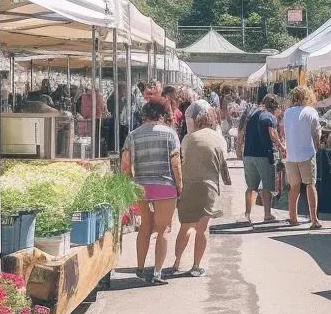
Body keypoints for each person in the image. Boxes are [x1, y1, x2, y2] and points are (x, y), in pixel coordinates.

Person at [121, 98, 182, 285]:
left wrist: (127, 184)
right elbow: (176, 164)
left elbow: (125, 163)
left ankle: (140, 267)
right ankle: (157, 272)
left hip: (141, 187)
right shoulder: (170, 134)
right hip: (164, 186)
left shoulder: (133, 135)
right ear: (163, 114)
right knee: (163, 229)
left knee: (145, 226)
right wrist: (180, 186)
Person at [170, 107, 231, 277]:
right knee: (201, 228)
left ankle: (176, 262)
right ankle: (196, 266)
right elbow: (223, 163)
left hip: (189, 186)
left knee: (185, 227)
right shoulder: (219, 138)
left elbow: (182, 159)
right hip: (208, 187)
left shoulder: (188, 138)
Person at [240, 93, 284, 224]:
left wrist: (239, 148)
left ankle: (247, 214)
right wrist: (281, 146)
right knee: (267, 187)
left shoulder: (252, 116)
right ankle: (267, 215)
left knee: (251, 187)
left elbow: (243, 132)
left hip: (249, 154)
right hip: (264, 155)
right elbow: (272, 133)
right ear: (274, 106)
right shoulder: (270, 117)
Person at [283, 86, 323, 229]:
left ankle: (293, 217)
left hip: (291, 155)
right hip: (306, 153)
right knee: (310, 185)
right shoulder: (311, 111)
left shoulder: (287, 112)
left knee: (294, 187)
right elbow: (316, 133)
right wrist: (318, 145)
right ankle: (314, 220)